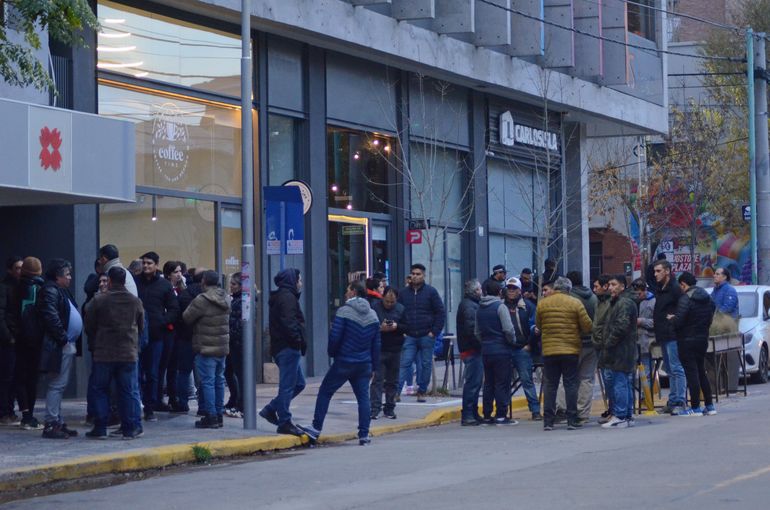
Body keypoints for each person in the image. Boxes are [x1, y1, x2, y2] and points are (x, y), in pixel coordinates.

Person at [301, 281, 380, 445]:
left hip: (344, 360)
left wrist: (332, 353)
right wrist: (374, 366)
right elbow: (376, 343)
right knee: (363, 398)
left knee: (325, 391)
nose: (345, 293)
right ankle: (364, 435)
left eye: (347, 290)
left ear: (353, 292)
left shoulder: (344, 312)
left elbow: (335, 336)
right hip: (364, 363)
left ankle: (316, 428)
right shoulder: (373, 315)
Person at [84, 267, 145, 439]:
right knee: (129, 390)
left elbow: (89, 325)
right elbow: (141, 326)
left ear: (109, 281)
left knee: (100, 389)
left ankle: (100, 427)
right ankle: (130, 427)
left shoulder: (99, 300)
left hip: (104, 352)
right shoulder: (135, 301)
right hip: (128, 353)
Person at [535, 277, 592, 431]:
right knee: (570, 384)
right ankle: (572, 419)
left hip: (549, 350)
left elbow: (539, 325)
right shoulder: (575, 303)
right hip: (570, 350)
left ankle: (548, 421)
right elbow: (587, 326)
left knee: (550, 385)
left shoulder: (543, 303)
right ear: (569, 289)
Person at [260, 268, 307, 437]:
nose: (300, 283)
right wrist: (297, 341)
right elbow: (289, 323)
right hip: (287, 348)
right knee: (288, 386)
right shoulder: (287, 298)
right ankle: (285, 421)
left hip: (285, 347)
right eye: (299, 280)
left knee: (299, 383)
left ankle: (271, 409)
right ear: (292, 281)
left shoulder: (284, 296)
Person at [38, 259, 81, 439]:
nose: (70, 278)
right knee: (57, 385)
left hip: (66, 344)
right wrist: (63, 338)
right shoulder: (50, 291)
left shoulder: (60, 291)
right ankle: (51, 422)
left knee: (60, 385)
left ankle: (58, 420)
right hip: (59, 345)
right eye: (67, 274)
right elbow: (51, 316)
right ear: (57, 276)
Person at [135, 251, 180, 421]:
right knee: (137, 373)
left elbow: (174, 309)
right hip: (137, 335)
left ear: (156, 265)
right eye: (144, 263)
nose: (146, 266)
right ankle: (137, 405)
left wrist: (162, 321)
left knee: (153, 373)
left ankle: (150, 406)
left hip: (156, 335)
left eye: (149, 263)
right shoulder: (135, 282)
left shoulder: (164, 285)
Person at [183, 270, 231, 429]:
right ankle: (218, 414)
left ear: (203, 281)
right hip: (222, 347)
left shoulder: (202, 299)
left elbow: (187, 317)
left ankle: (210, 416)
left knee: (208, 382)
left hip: (206, 347)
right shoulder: (225, 297)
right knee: (219, 381)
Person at [669, 272, 717, 416]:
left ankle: (695, 407)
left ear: (683, 284)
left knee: (692, 373)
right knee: (701, 371)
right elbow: (711, 313)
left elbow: (679, 321)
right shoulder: (707, 298)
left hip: (687, 339)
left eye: (680, 285)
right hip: (702, 338)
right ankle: (709, 405)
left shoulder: (685, 299)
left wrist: (672, 318)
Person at [397, 263, 445, 402]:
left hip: (426, 335)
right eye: (413, 273)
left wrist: (434, 332)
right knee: (405, 363)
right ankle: (397, 392)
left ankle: (422, 391)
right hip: (409, 335)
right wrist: (402, 331)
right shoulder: (403, 293)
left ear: (423, 275)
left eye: (418, 274)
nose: (415, 276)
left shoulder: (431, 292)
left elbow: (440, 312)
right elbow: (398, 312)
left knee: (425, 364)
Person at [595, 275, 638, 429]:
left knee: (620, 383)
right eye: (610, 285)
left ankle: (620, 415)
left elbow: (621, 327)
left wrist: (608, 343)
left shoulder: (624, 303)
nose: (611, 288)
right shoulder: (617, 303)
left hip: (621, 351)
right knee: (622, 382)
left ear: (622, 286)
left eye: (614, 285)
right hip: (621, 350)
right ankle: (626, 415)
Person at [555, 271, 598, 425]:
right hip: (591, 344)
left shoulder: (569, 299)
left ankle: (563, 410)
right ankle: (583, 413)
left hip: (573, 343)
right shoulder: (593, 297)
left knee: (566, 378)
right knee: (587, 379)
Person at [476, 279, 517, 425]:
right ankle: (501, 414)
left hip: (486, 350)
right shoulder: (500, 307)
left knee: (489, 383)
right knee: (502, 383)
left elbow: (477, 332)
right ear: (500, 292)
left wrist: (485, 342)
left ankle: (487, 414)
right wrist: (512, 340)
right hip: (501, 349)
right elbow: (508, 329)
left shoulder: (480, 308)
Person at [13, 257, 45, 430]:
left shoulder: (14, 288)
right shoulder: (39, 288)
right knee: (32, 379)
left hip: (18, 339)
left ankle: (26, 414)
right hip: (35, 340)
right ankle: (29, 415)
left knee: (20, 377)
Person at [652, 259, 686, 415]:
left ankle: (680, 401)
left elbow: (683, 307)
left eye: (659, 271)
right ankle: (672, 400)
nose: (656, 274)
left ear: (667, 271)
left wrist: (675, 320)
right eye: (655, 271)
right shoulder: (661, 288)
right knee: (670, 369)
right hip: (663, 334)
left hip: (672, 334)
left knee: (676, 368)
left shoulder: (674, 288)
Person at [504, 277, 540, 421]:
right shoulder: (501, 306)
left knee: (527, 380)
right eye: (509, 288)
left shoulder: (529, 306)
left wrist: (530, 345)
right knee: (504, 381)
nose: (511, 291)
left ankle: (535, 410)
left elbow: (536, 328)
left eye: (514, 288)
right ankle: (503, 410)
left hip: (523, 349)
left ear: (520, 290)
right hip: (506, 349)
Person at [370, 286, 405, 420]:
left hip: (395, 348)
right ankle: (375, 408)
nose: (389, 304)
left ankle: (390, 407)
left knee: (393, 380)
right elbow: (369, 326)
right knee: (377, 380)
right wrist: (380, 328)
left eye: (392, 302)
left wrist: (397, 326)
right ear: (382, 297)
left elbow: (407, 326)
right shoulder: (374, 308)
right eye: (387, 301)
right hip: (379, 348)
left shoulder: (401, 309)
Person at [457, 279, 482, 425]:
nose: (481, 292)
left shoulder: (470, 305)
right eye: (479, 290)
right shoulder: (469, 307)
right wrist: (479, 345)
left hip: (470, 348)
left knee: (475, 382)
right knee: (473, 382)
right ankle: (467, 413)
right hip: (471, 349)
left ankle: (472, 411)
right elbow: (471, 329)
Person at [160, 260, 185, 413]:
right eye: (176, 271)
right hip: (167, 330)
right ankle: (160, 396)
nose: (179, 274)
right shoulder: (165, 288)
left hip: (178, 331)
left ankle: (173, 396)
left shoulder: (182, 289)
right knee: (164, 365)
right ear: (169, 274)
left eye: (180, 271)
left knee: (174, 367)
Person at [0, 256, 22, 425]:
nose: (20, 272)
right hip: (8, 340)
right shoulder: (5, 288)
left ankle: (9, 410)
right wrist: (9, 337)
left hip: (16, 338)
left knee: (14, 376)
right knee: (7, 377)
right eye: (17, 268)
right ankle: (4, 412)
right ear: (10, 270)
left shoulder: (20, 287)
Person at [592, 275, 614, 423]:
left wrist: (600, 339)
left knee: (610, 378)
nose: (594, 290)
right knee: (607, 379)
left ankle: (615, 410)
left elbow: (604, 325)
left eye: (596, 287)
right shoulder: (599, 302)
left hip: (606, 345)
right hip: (600, 344)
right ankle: (612, 409)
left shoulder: (610, 303)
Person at [224, 272, 244, 418]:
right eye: (230, 283)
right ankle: (234, 399)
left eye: (234, 284)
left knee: (239, 374)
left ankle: (241, 403)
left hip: (237, 343)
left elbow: (238, 325)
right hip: (232, 342)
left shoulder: (242, 301)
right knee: (229, 372)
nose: (231, 286)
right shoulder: (235, 300)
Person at [632, 278, 655, 392]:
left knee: (645, 373)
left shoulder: (653, 302)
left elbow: (657, 322)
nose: (638, 296)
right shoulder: (633, 301)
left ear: (645, 290)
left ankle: (645, 398)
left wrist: (642, 321)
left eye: (639, 293)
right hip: (634, 342)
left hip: (647, 342)